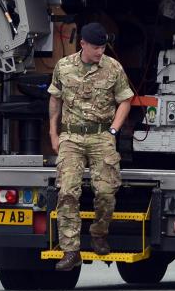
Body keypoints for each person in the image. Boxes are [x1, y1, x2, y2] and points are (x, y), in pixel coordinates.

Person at [47, 22, 133, 271]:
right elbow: (55, 99)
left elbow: (125, 100)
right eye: (96, 47)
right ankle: (70, 251)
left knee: (106, 191)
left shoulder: (112, 67)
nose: (100, 51)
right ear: (82, 44)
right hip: (71, 138)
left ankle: (98, 232)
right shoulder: (64, 66)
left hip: (100, 136)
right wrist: (53, 133)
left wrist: (114, 130)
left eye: (103, 46)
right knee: (67, 192)